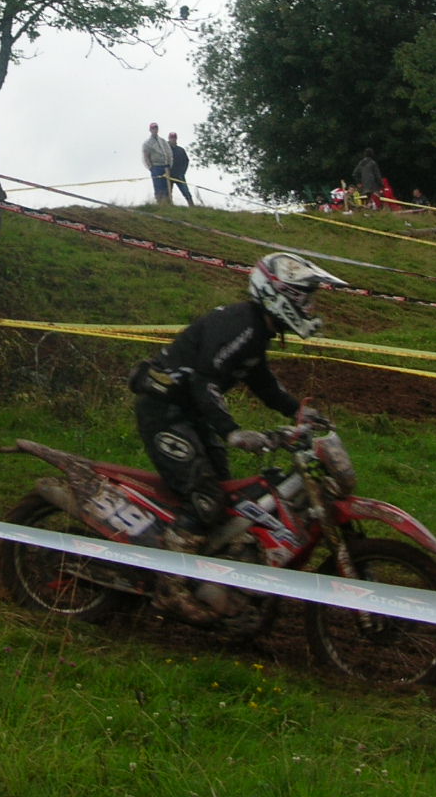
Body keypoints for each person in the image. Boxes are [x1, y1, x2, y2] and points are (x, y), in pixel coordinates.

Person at [127, 251, 345, 618]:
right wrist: (232, 432)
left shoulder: (257, 331)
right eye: (303, 298)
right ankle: (169, 587)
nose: (309, 306)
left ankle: (206, 576)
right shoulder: (241, 324)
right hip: (164, 412)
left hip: (190, 414)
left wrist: (297, 411)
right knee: (207, 498)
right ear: (279, 293)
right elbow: (204, 380)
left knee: (226, 502)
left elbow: (260, 380)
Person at [141, 122, 172, 204]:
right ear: (150, 130)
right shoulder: (147, 143)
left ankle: (168, 203)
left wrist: (169, 164)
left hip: (165, 166)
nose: (155, 130)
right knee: (158, 186)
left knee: (167, 186)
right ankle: (160, 203)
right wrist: (151, 167)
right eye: (153, 128)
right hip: (156, 167)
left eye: (156, 128)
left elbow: (169, 153)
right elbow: (145, 157)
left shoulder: (163, 141)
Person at [166, 131, 195, 206]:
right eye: (171, 138)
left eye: (174, 138)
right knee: (168, 192)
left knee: (186, 191)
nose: (173, 139)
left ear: (176, 139)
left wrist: (183, 171)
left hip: (179, 175)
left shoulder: (181, 150)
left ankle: (191, 205)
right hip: (169, 174)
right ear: (169, 138)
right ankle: (168, 206)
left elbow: (186, 161)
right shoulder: (166, 150)